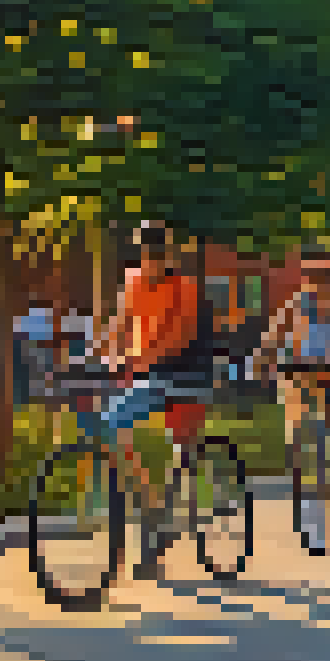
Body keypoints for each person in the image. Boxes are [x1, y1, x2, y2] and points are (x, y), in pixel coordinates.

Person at [93, 222, 218, 578]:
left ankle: (172, 511)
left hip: (190, 376)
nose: (150, 259)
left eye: (158, 253)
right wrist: (94, 356)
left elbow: (179, 339)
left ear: (169, 255)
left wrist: (134, 360)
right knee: (111, 426)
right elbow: (118, 326)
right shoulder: (131, 283)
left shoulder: (185, 288)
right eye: (146, 252)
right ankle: (151, 510)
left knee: (181, 452)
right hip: (151, 374)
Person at [258, 252, 330, 520]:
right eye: (311, 277)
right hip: (301, 370)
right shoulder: (297, 304)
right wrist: (263, 358)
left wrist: (327, 363)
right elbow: (275, 334)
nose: (316, 283)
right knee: (297, 425)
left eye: (323, 277)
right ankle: (300, 478)